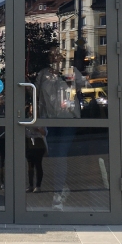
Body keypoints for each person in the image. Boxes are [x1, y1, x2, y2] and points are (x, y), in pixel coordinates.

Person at [35, 44, 79, 210]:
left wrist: (73, 81)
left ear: (62, 57)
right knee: (54, 157)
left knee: (60, 156)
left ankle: (58, 195)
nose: (54, 57)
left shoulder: (70, 71)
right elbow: (38, 99)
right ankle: (62, 187)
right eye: (51, 55)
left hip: (68, 120)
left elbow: (85, 85)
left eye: (57, 54)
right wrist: (39, 122)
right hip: (50, 121)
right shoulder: (43, 75)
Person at [25, 125, 47, 192]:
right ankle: (30, 185)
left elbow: (45, 133)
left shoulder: (41, 121)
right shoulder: (26, 121)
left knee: (38, 164)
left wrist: (39, 129)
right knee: (30, 165)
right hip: (28, 142)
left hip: (38, 143)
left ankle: (38, 186)